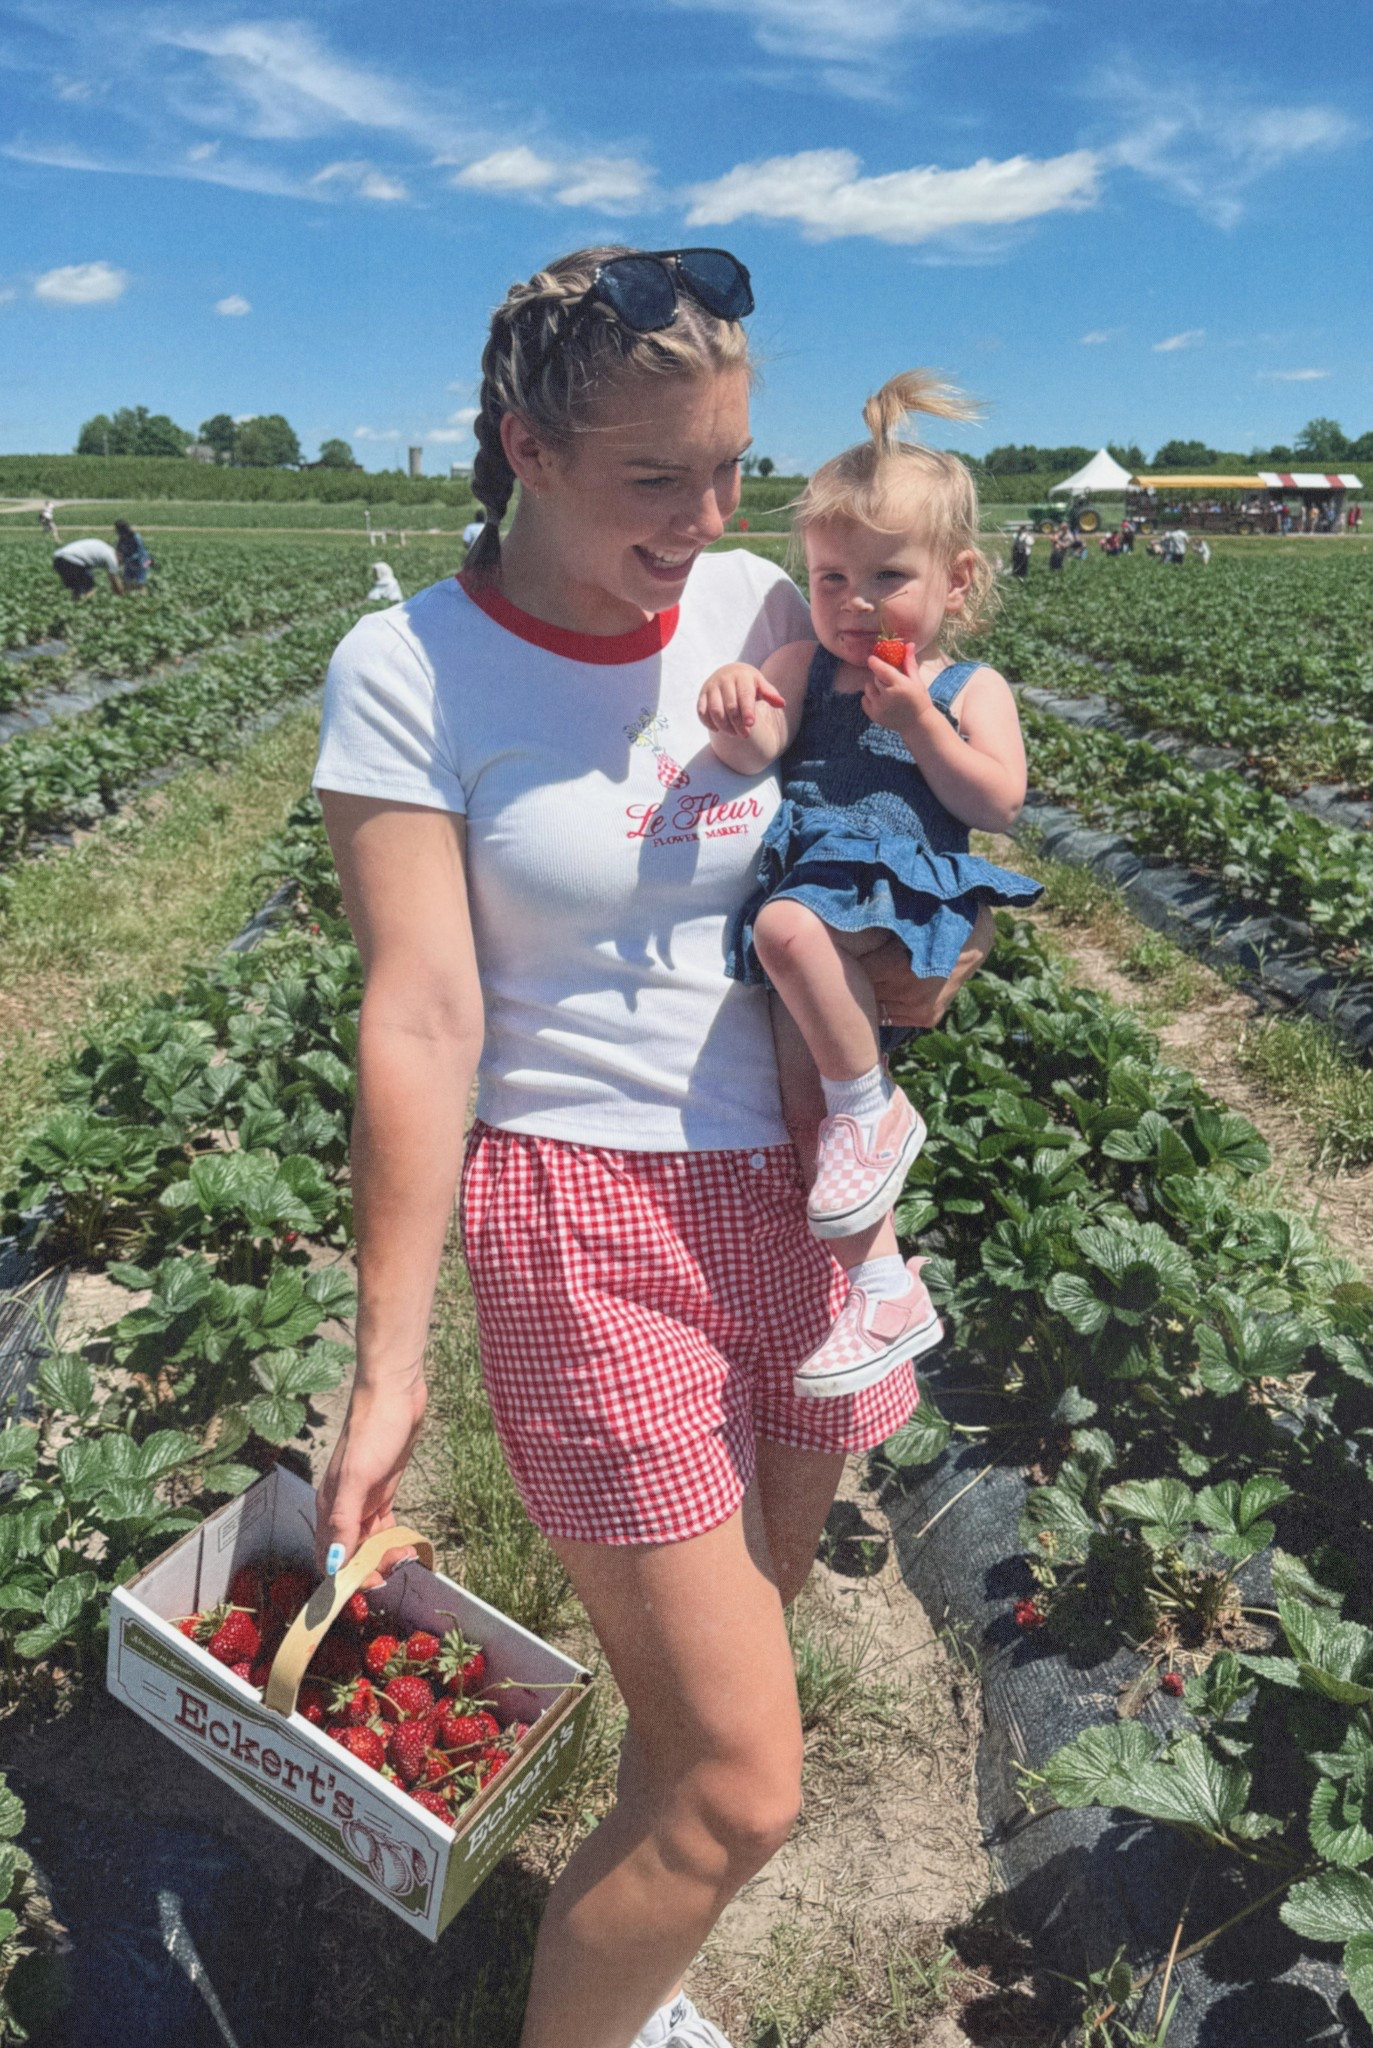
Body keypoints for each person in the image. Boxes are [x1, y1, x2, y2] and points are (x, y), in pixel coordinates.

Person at [311, 244, 993, 2048]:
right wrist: (388, 1365)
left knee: (720, 1676)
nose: (707, 520)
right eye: (653, 479)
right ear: (525, 449)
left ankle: (636, 1967)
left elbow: (878, 831)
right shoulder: (411, 667)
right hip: (583, 1217)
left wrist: (918, 958)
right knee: (746, 1783)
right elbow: (420, 1017)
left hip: (801, 1198)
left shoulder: (765, 601)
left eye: (731, 469)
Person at [699, 372, 1041, 1396]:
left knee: (787, 932)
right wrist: (736, 701)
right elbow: (756, 748)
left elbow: (999, 801)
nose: (854, 601)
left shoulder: (965, 686)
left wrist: (923, 724)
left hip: (894, 890)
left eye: (886, 576)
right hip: (819, 887)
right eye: (830, 576)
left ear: (957, 582)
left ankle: (874, 1110)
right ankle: (885, 1287)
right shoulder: (805, 664)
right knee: (812, 1126)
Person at [51, 534, 124, 599]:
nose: (121, 564)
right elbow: (114, 581)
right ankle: (83, 605)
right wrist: (121, 597)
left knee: (77, 590)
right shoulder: (112, 557)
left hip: (58, 559)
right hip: (71, 561)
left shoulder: (106, 549)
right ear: (120, 554)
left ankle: (75, 604)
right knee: (90, 589)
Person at [113, 518, 151, 589]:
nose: (115, 531)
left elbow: (141, 551)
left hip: (142, 561)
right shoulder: (121, 538)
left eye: (116, 529)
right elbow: (118, 550)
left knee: (140, 584)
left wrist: (131, 560)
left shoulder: (136, 537)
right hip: (129, 562)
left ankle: (142, 593)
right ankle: (128, 594)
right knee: (126, 582)